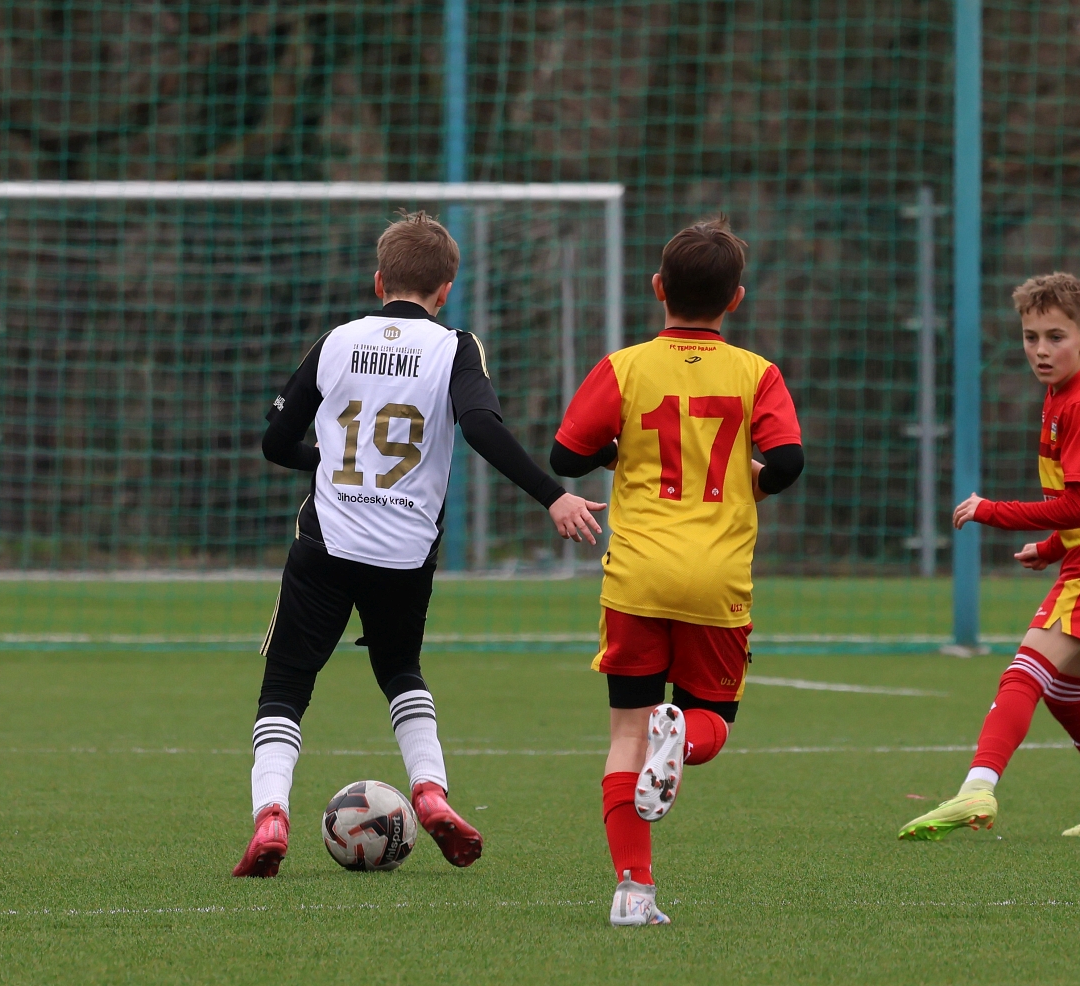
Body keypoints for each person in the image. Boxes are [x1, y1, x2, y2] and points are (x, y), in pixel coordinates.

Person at [236, 211, 607, 877]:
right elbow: (481, 427)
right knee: (401, 672)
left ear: (379, 281)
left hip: (326, 544)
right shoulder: (454, 347)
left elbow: (274, 443)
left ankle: (271, 815)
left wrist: (329, 461)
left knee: (286, 683)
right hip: (405, 554)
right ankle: (431, 792)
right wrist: (553, 496)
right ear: (446, 289)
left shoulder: (337, 341)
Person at [550, 217, 804, 925]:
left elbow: (565, 456)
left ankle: (633, 892)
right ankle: (683, 738)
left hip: (637, 577)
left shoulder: (624, 367)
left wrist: (617, 454)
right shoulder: (756, 372)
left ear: (658, 288)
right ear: (736, 299)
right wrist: (752, 479)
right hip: (716, 580)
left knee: (624, 736)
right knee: (709, 720)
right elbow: (788, 462)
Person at [899, 273, 1080, 841]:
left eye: (1055, 337)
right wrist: (1049, 549)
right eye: (1030, 337)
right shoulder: (1064, 394)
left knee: (1024, 672)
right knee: (1067, 694)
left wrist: (990, 510)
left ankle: (977, 788)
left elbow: (1078, 506)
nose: (1041, 350)